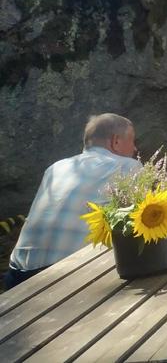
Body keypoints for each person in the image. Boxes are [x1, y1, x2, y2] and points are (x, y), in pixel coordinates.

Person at [4, 113, 140, 290]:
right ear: (115, 141)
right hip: (64, 278)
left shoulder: (55, 168)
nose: (135, 148)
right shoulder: (128, 166)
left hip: (16, 276)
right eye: (132, 140)